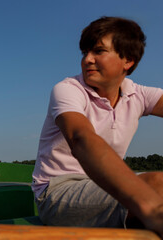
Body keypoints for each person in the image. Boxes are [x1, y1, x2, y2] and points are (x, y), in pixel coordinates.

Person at [32, 16, 163, 237]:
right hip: (58, 191)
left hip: (105, 184)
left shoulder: (138, 94)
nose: (87, 60)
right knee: (157, 185)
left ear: (127, 60)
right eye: (85, 53)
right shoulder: (68, 89)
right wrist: (150, 208)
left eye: (98, 51)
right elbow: (81, 138)